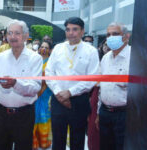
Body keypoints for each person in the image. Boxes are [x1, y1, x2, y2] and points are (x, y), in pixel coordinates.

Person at [0, 19, 43, 150]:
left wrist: (15, 83)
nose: (13, 37)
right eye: (10, 33)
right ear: (6, 36)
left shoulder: (35, 58)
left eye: (17, 33)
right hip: (1, 113)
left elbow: (35, 88)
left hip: (24, 114)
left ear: (25, 36)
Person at [45, 17, 100, 150]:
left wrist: (70, 92)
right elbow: (49, 73)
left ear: (82, 31)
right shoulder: (58, 48)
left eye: (75, 29)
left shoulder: (91, 51)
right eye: (68, 29)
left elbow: (92, 78)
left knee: (77, 141)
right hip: (58, 100)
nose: (71, 33)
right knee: (58, 140)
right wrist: (59, 93)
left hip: (79, 101)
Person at [96, 22, 130, 150]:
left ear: (126, 36)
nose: (110, 37)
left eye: (115, 34)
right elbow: (102, 88)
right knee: (105, 146)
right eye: (108, 34)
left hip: (124, 114)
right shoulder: (105, 58)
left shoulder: (135, 57)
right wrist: (99, 112)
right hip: (105, 112)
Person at [33, 41, 53, 150]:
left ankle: (44, 142)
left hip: (46, 93)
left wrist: (42, 89)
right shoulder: (35, 60)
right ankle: (34, 142)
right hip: (34, 92)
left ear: (50, 50)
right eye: (42, 47)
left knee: (44, 115)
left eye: (46, 47)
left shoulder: (51, 62)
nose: (44, 49)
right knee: (34, 116)